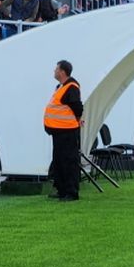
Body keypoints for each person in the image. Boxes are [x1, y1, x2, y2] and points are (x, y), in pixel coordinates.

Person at [44, 59, 83, 202]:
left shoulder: (71, 87)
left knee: (68, 161)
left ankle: (71, 192)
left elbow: (77, 107)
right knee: (59, 161)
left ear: (62, 71)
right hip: (58, 131)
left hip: (67, 131)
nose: (54, 71)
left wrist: (77, 119)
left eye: (56, 69)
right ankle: (61, 190)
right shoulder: (60, 87)